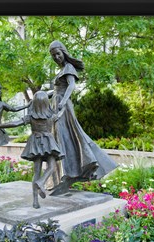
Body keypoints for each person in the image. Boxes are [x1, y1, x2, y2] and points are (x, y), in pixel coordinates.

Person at [46, 40, 118, 194]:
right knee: (60, 140)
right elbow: (58, 89)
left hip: (63, 108)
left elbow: (71, 86)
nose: (56, 57)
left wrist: (62, 103)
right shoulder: (60, 71)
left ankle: (72, 173)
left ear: (63, 52)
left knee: (67, 139)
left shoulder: (68, 67)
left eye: (58, 54)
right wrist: (45, 95)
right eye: (53, 56)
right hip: (56, 105)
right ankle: (64, 176)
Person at [0, 91, 64, 209]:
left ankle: (35, 201)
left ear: (35, 103)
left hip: (36, 144)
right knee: (51, 166)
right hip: (49, 143)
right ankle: (41, 182)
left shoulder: (30, 117)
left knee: (36, 172)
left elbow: (15, 123)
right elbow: (61, 114)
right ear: (47, 103)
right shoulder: (51, 116)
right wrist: (64, 105)